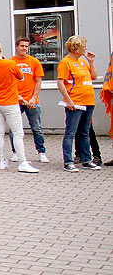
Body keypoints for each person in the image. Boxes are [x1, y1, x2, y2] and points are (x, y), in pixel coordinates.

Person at [0, 40, 38, 173]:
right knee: (18, 133)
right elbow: (21, 76)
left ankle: (2, 161)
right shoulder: (10, 63)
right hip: (10, 102)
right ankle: (22, 161)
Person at [57, 35, 100, 172]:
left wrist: (91, 62)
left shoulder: (82, 62)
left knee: (85, 132)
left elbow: (93, 76)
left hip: (88, 101)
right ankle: (68, 162)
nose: (85, 48)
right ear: (76, 47)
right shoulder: (66, 62)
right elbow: (60, 82)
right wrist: (68, 100)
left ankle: (87, 160)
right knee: (71, 132)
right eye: (83, 46)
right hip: (75, 102)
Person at [12, 37, 48, 163]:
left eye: (26, 46)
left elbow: (38, 81)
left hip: (32, 101)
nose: (24, 49)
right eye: (22, 46)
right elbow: (9, 83)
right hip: (16, 100)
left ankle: (41, 152)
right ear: (17, 46)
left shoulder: (34, 62)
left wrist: (33, 98)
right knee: (14, 128)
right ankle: (15, 152)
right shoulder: (11, 63)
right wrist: (19, 97)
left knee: (36, 127)